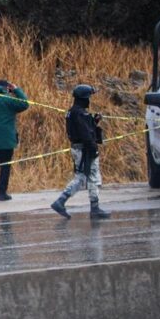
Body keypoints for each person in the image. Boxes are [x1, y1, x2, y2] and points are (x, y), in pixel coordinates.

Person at [51, 85, 111, 219]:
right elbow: (86, 134)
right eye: (89, 97)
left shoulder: (73, 112)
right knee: (86, 177)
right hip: (84, 150)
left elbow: (83, 129)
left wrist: (94, 121)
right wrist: (93, 149)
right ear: (85, 99)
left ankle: (94, 207)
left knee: (86, 177)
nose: (90, 100)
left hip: (78, 148)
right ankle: (61, 201)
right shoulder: (80, 113)